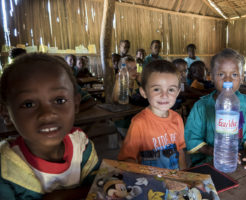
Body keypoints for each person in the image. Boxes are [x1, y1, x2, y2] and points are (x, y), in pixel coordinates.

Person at [0, 53, 100, 199]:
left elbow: (99, 188)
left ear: (76, 104)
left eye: (59, 100)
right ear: (6, 114)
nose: (47, 114)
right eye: (28, 104)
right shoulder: (6, 167)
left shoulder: (82, 147)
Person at [184, 48, 246, 171]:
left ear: (242, 78)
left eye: (234, 74)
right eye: (221, 74)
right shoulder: (201, 106)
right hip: (208, 162)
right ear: (211, 77)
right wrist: (214, 151)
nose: (228, 80)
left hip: (238, 161)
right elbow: (191, 137)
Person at [118, 60, 186, 170]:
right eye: (156, 89)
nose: (164, 95)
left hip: (175, 181)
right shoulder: (139, 123)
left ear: (178, 93)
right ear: (144, 92)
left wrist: (185, 177)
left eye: (171, 89)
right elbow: (127, 159)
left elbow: (180, 151)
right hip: (150, 183)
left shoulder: (177, 119)